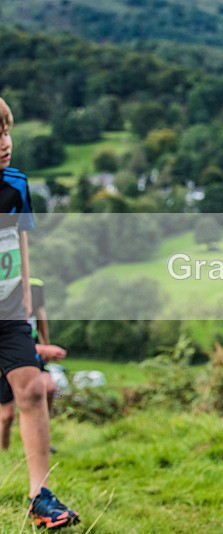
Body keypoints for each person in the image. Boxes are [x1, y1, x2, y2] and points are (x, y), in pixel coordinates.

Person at [0, 97, 80, 529]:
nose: (4, 143)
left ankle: (39, 497)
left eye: (6, 131)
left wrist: (27, 304)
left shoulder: (16, 184)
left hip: (11, 312)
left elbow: (20, 239)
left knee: (31, 390)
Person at [1, 278, 68, 451]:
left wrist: (45, 344)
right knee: (7, 415)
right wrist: (44, 349)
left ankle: (42, 441)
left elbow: (40, 317)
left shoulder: (34, 287)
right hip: (8, 354)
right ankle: (4, 452)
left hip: (31, 350)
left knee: (49, 388)